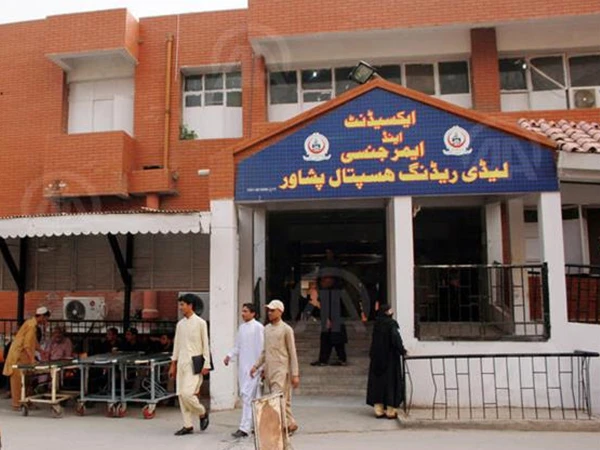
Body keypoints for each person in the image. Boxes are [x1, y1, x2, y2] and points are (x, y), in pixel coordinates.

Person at [250, 300, 300, 435]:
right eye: (269, 310)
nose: (270, 313)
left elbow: (292, 352)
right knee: (283, 399)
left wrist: (295, 374)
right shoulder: (266, 329)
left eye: (272, 310)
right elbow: (265, 351)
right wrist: (257, 366)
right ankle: (290, 423)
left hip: (282, 369)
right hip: (270, 369)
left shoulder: (286, 329)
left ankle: (281, 427)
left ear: (280, 311)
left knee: (276, 398)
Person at [169, 294, 211, 436]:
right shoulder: (180, 325)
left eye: (182, 305)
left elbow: (206, 344)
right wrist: (173, 364)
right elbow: (176, 345)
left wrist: (207, 364)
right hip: (181, 362)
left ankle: (202, 412)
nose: (180, 308)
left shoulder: (201, 323)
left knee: (187, 394)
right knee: (181, 394)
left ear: (190, 305)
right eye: (180, 305)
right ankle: (187, 425)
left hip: (195, 363)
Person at [224, 303, 264, 439]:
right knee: (251, 398)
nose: (243, 314)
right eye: (242, 311)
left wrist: (260, 367)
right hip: (243, 368)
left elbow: (262, 349)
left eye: (246, 311)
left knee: (248, 398)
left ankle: (244, 428)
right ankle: (256, 426)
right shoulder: (241, 328)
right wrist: (229, 356)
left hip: (254, 369)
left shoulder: (258, 327)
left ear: (253, 313)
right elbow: (238, 346)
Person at [2, 307, 51, 410]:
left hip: (23, 357)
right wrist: (32, 359)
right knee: (18, 382)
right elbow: (27, 345)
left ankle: (28, 401)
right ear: (42, 316)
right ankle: (17, 404)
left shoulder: (31, 324)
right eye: (46, 318)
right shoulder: (31, 326)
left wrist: (41, 351)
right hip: (18, 357)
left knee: (27, 381)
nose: (46, 321)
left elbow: (33, 341)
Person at [366, 304, 407, 419]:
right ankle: (390, 411)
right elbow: (395, 339)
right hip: (390, 359)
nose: (391, 312)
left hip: (377, 359)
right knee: (390, 383)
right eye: (389, 310)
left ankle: (378, 410)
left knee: (378, 384)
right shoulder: (391, 324)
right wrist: (402, 350)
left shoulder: (377, 324)